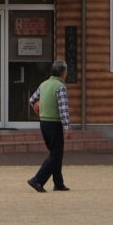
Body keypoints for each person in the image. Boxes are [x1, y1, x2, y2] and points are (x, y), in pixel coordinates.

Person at [27, 60, 71, 192]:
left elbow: (32, 100)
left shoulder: (44, 84)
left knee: (55, 153)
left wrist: (38, 108)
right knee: (56, 154)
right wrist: (67, 127)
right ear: (63, 73)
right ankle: (37, 179)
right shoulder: (60, 86)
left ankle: (58, 182)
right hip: (54, 123)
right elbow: (63, 109)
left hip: (43, 122)